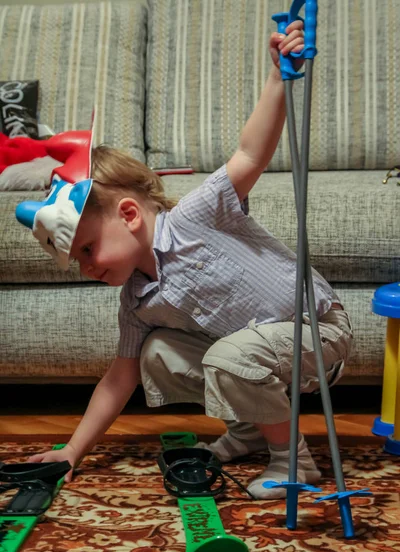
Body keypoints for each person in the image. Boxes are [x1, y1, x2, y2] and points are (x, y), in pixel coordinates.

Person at [26, 21, 352, 499]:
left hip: (317, 334)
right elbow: (121, 378)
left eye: (88, 250)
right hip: (254, 355)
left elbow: (249, 153)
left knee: (229, 355)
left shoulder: (198, 216)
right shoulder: (138, 299)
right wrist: (72, 450)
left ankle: (293, 462)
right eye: (78, 261)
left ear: (130, 214)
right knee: (154, 354)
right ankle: (250, 429)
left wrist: (277, 78)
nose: (87, 268)